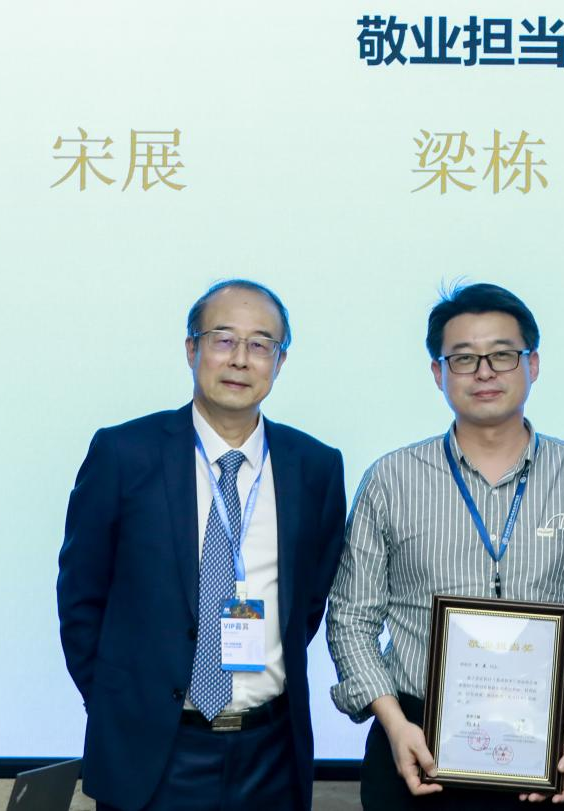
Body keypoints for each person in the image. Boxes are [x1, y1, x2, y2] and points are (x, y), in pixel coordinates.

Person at [326, 282, 564, 810]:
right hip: (415, 745)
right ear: (438, 373)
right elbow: (350, 618)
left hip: (547, 749)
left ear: (532, 364)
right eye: (463, 358)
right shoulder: (391, 479)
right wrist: (394, 723)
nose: (484, 372)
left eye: (502, 355)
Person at [57, 280, 346, 811]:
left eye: (260, 344)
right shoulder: (124, 453)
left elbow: (308, 604)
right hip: (152, 751)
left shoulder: (315, 466)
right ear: (191, 349)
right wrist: (119, 706)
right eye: (223, 339)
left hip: (270, 753)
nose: (240, 359)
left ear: (280, 361)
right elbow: (81, 597)